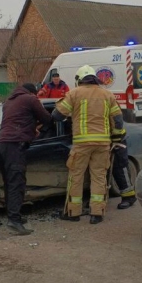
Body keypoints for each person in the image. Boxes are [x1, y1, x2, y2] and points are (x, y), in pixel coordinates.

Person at [52, 65, 125, 224]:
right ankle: (97, 214)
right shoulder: (107, 95)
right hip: (103, 144)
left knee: (76, 177)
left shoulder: (74, 93)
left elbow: (57, 115)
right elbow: (118, 120)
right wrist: (116, 138)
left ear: (79, 80)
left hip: (82, 144)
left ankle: (73, 212)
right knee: (99, 177)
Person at [0, 83, 52, 235]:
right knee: (17, 183)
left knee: (9, 182)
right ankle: (14, 222)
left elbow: (16, 120)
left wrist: (31, 128)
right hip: (15, 145)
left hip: (2, 144)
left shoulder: (9, 101)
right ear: (33, 92)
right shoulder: (30, 99)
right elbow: (47, 118)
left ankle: (14, 217)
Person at [111, 139, 137, 209]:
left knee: (120, 169)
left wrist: (116, 138)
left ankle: (129, 197)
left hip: (117, 142)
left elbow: (118, 131)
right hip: (101, 143)